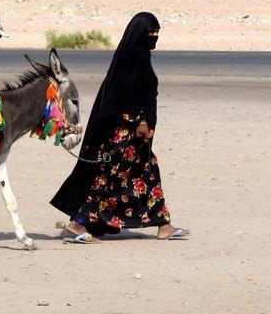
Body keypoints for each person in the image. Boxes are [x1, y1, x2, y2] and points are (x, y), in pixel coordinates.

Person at [50, 12, 189, 242]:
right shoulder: (133, 60)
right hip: (125, 136)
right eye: (150, 33)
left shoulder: (140, 56)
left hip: (139, 138)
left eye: (157, 33)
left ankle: (163, 224)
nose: (154, 37)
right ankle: (78, 223)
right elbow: (122, 98)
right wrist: (140, 122)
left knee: (146, 174)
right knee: (109, 177)